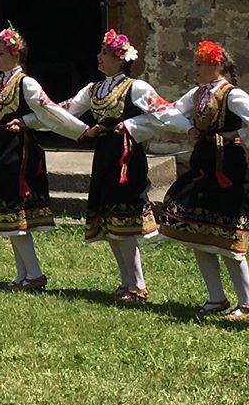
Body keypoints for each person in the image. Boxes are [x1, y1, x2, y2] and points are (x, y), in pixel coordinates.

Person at [0, 27, 85, 292]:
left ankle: (33, 274)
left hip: (21, 153)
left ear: (15, 54)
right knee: (10, 217)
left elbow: (48, 110)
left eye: (1, 53)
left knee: (14, 213)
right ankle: (25, 275)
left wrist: (28, 121)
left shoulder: (26, 84)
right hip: (3, 149)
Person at [151, 40, 249, 321]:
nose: (194, 69)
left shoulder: (233, 95)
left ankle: (248, 302)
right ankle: (216, 297)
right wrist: (189, 127)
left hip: (228, 169)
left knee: (229, 237)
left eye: (199, 64)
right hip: (204, 165)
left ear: (215, 65)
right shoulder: (197, 94)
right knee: (198, 234)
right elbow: (169, 112)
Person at [66, 29, 171, 304]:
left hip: (127, 159)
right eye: (100, 52)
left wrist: (130, 126)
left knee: (125, 223)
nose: (99, 57)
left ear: (120, 59)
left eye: (104, 53)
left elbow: (163, 116)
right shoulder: (94, 89)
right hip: (104, 157)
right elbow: (67, 111)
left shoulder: (136, 87)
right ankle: (126, 282)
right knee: (111, 222)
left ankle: (137, 284)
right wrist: (45, 116)